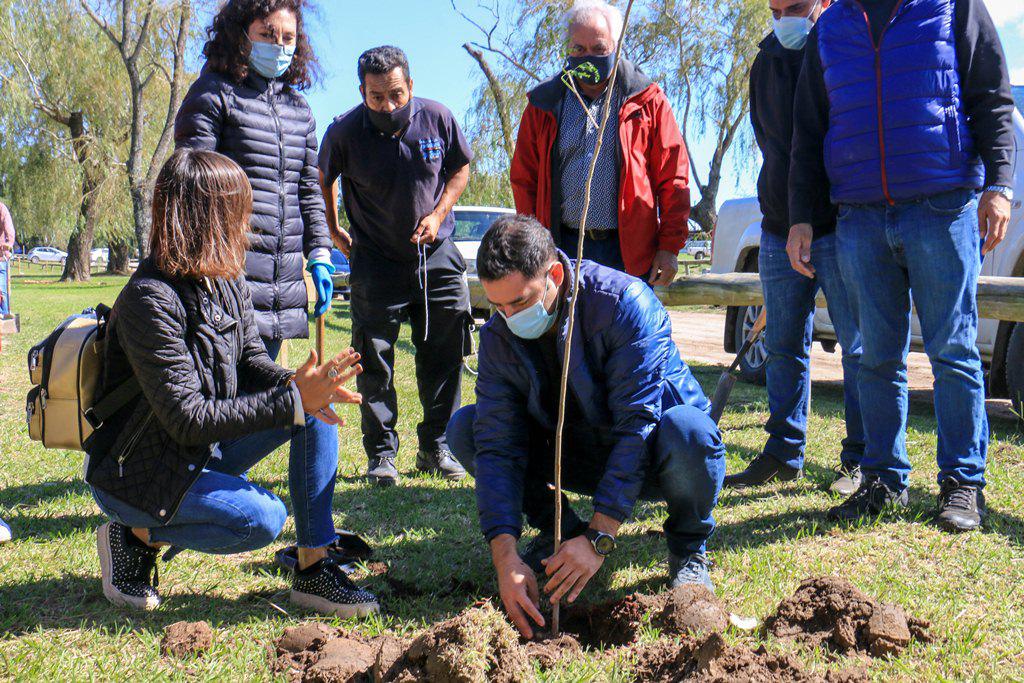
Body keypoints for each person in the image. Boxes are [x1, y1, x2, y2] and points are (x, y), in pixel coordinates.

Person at [86, 148, 379, 616]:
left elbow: (251, 363)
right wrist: (291, 399)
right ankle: (132, 533)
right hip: (136, 472)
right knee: (261, 520)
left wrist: (304, 386)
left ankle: (314, 569)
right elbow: (187, 419)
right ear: (205, 217)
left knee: (315, 410)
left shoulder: (224, 278)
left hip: (197, 451)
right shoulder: (148, 298)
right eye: (238, 213)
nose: (247, 226)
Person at [789, 0, 1015, 531]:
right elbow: (809, 132)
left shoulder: (953, 6)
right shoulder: (832, 26)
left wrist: (1000, 184)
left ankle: (962, 484)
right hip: (861, 217)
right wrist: (802, 217)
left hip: (942, 207)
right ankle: (884, 480)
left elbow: (991, 98)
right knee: (875, 357)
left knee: (953, 350)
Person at [446, 215, 725, 639]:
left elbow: (638, 427)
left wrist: (601, 537)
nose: (508, 317)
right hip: (576, 450)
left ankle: (688, 548)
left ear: (554, 274)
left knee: (692, 432)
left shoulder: (625, 304)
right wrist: (505, 559)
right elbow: (498, 445)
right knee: (468, 429)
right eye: (496, 306)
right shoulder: (500, 334)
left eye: (519, 302)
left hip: (657, 453)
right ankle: (561, 529)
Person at [174, 0, 341, 522]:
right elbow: (191, 186)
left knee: (274, 400)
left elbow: (309, 193)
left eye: (289, 35)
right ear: (239, 33)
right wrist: (211, 268)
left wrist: (319, 252)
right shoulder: (211, 96)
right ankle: (176, 497)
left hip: (281, 283)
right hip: (224, 283)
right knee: (231, 404)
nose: (281, 44)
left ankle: (205, 494)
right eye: (268, 32)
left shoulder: (299, 109)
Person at [724, 0, 865, 495]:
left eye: (796, 7)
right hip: (778, 226)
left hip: (840, 223)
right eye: (776, 8)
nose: (784, 17)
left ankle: (859, 460)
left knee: (859, 346)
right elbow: (769, 143)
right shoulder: (763, 62)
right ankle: (784, 451)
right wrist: (783, 215)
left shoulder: (846, 48)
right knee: (783, 345)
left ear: (822, 4)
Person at [318, 46, 473, 486]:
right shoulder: (344, 132)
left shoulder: (438, 118)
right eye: (377, 97)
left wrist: (439, 214)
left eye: (397, 95)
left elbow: (460, 169)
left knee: (443, 354)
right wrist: (333, 229)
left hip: (437, 257)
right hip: (376, 261)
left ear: (411, 87)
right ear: (361, 92)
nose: (388, 105)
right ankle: (381, 454)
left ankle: (436, 445)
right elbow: (321, 179)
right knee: (374, 360)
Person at [510, 0, 690, 285]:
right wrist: (535, 245)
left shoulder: (647, 100)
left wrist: (669, 247)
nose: (588, 57)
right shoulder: (543, 105)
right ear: (567, 49)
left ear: (615, 46)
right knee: (568, 330)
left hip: (629, 254)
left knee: (626, 330)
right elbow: (524, 181)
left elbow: (673, 178)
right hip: (561, 250)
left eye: (598, 49)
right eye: (578, 49)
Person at [0, 199, 13, 316]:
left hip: (1, 256)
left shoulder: (1, 209)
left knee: (2, 290)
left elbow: (9, 228)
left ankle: (4, 315)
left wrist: (8, 243)